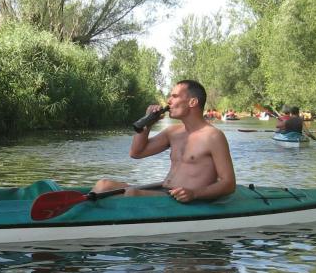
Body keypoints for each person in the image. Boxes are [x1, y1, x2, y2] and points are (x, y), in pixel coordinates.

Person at [92, 80, 236, 203]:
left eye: (175, 96)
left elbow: (229, 183)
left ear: (192, 102)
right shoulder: (173, 132)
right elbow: (136, 153)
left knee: (132, 194)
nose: (169, 101)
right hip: (164, 191)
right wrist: (147, 122)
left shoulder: (213, 136)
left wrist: (194, 194)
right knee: (103, 185)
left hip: (185, 200)